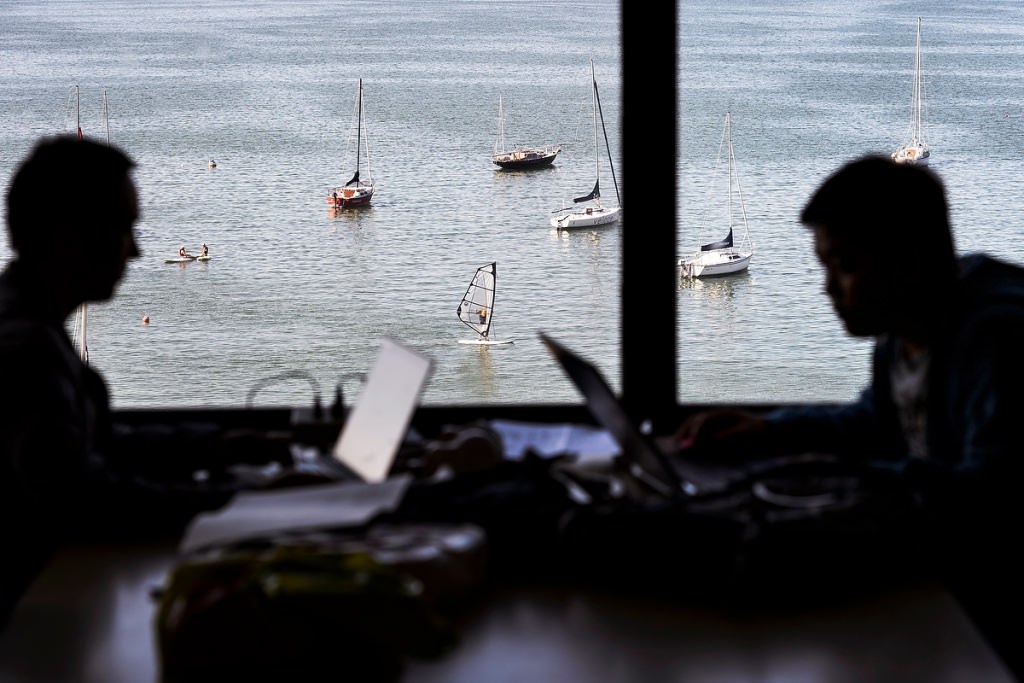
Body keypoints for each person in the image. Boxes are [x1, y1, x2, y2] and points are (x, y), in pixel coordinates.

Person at [675, 154, 1024, 676]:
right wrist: (769, 431)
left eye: (844, 266)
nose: (828, 288)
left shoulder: (1000, 343)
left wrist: (838, 483)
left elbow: (989, 495)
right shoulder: (904, 330)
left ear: (906, 263)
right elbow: (877, 424)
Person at [0, 136, 281, 627]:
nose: (135, 251)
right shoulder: (27, 354)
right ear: (69, 236)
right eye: (123, 228)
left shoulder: (27, 324)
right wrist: (243, 502)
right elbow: (87, 498)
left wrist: (218, 447)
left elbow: (94, 445)